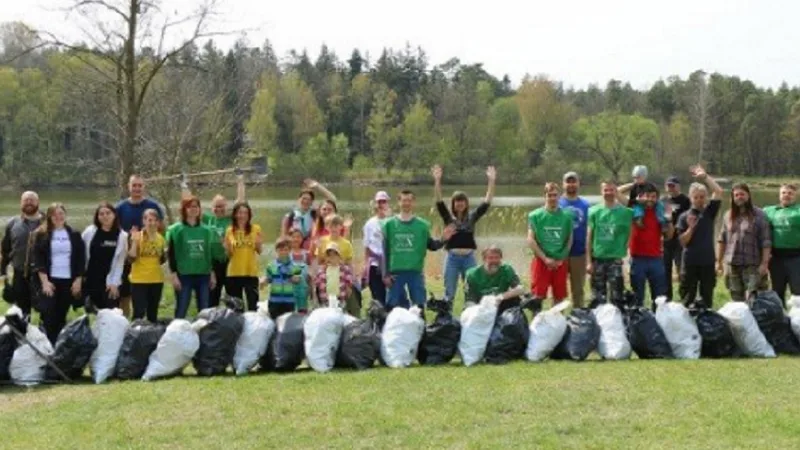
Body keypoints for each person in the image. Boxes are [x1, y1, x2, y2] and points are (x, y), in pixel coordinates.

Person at [181, 171, 246, 307]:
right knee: (212, 297)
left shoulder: (231, 219)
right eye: (216, 206)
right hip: (213, 264)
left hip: (229, 262)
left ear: (226, 206)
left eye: (221, 206)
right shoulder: (207, 219)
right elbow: (190, 204)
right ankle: (212, 322)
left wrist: (240, 179)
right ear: (212, 207)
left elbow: (240, 201)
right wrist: (184, 184)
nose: (219, 209)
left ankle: (234, 321)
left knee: (233, 296)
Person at [432, 164, 496, 304]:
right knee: (449, 292)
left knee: (472, 291)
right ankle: (447, 319)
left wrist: (491, 181)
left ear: (466, 203)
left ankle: (470, 318)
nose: (460, 204)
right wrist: (437, 180)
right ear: (453, 204)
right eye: (457, 202)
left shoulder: (472, 217)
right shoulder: (448, 218)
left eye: (462, 201)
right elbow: (439, 201)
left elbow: (487, 202)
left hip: (469, 259)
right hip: (452, 259)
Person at [381, 189, 454, 310]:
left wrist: (443, 239)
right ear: (399, 202)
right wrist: (385, 274)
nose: (406, 203)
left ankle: (420, 328)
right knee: (391, 307)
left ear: (413, 202)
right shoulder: (389, 224)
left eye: (409, 200)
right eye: (404, 200)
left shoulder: (422, 225)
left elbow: (432, 245)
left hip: (415, 272)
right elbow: (384, 251)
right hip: (395, 273)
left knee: (419, 307)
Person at [31, 203, 85, 344]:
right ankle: (46, 346)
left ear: (65, 215)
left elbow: (81, 259)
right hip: (50, 281)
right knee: (48, 314)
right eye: (54, 214)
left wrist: (78, 280)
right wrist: (45, 282)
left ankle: (58, 349)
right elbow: (38, 260)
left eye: (61, 213)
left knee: (61, 315)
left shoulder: (74, 234)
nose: (58, 217)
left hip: (68, 281)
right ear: (49, 217)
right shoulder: (42, 235)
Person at [115, 175, 165, 318]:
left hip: (148, 255)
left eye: (140, 185)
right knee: (125, 295)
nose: (137, 188)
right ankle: (125, 323)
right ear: (128, 187)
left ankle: (147, 328)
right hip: (126, 256)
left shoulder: (153, 206)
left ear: (144, 187)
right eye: (134, 185)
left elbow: (161, 228)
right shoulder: (120, 207)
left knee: (147, 300)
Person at [675, 166, 723, 308]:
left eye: (702, 197)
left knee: (707, 297)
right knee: (687, 297)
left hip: (707, 261)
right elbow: (683, 242)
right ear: (691, 198)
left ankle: (706, 322)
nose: (699, 200)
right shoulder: (684, 216)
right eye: (696, 197)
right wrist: (691, 228)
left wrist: (705, 176)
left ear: (706, 197)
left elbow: (718, 191)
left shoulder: (709, 212)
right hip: (690, 262)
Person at [717, 183, 771, 303]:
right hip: (732, 264)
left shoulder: (760, 214)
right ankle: (741, 320)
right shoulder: (728, 215)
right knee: (737, 299)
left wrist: (764, 264)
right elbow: (721, 239)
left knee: (755, 299)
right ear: (733, 197)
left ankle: (757, 320)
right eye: (736, 195)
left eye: (742, 194)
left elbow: (766, 242)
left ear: (748, 195)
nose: (739, 197)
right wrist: (719, 262)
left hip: (752, 265)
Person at [168, 196, 217, 318]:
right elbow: (171, 254)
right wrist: (173, 275)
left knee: (204, 311)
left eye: (196, 206)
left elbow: (209, 254)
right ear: (184, 209)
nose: (193, 209)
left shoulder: (206, 230)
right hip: (184, 275)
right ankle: (176, 334)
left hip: (203, 275)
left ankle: (203, 335)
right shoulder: (175, 230)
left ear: (200, 209)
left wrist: (212, 273)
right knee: (181, 308)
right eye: (189, 206)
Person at [586, 180, 633, 308]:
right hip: (598, 260)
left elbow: (630, 234)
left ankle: (618, 325)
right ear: (601, 192)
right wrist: (589, 262)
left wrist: (624, 252)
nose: (608, 193)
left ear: (616, 192)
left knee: (617, 298)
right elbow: (589, 238)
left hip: (615, 260)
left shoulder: (626, 212)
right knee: (597, 298)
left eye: (611, 190)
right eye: (605, 190)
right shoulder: (593, 211)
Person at [627, 183, 674, 309]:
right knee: (638, 297)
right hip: (637, 259)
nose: (650, 199)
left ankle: (657, 322)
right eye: (647, 196)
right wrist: (636, 183)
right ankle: (639, 322)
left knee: (659, 298)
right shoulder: (633, 210)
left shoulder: (660, 213)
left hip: (656, 259)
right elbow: (617, 192)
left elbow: (669, 236)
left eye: (653, 197)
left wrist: (669, 220)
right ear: (641, 196)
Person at [527, 183, 573, 310]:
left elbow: (569, 239)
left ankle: (557, 324)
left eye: (555, 195)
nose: (552, 198)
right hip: (541, 261)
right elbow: (530, 239)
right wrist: (545, 258)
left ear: (560, 196)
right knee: (537, 296)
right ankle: (536, 325)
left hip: (560, 262)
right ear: (545, 196)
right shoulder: (534, 215)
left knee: (559, 297)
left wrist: (562, 258)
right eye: (549, 195)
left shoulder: (567, 215)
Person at [1, 191, 44, 316]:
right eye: (26, 200)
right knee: (22, 312)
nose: (29, 202)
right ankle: (23, 334)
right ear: (21, 203)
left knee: (47, 311)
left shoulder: (48, 222)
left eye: (32, 200)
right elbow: (5, 251)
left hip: (43, 276)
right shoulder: (12, 223)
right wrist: (3, 274)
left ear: (38, 202)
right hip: (20, 275)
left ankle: (46, 333)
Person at [81, 203, 129, 311]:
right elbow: (80, 252)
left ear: (114, 215)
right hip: (90, 279)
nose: (105, 216)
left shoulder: (122, 236)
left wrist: (115, 283)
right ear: (97, 217)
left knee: (110, 312)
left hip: (109, 281)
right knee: (89, 311)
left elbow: (119, 262)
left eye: (108, 213)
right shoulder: (90, 231)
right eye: (101, 214)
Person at [764, 183, 800, 305]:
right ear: (779, 195)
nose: (786, 195)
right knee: (777, 292)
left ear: (796, 195)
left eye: (790, 193)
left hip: (796, 258)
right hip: (776, 259)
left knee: (798, 291)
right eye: (783, 193)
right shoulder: (768, 211)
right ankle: (780, 320)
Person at [558, 171, 591, 308]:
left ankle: (578, 317)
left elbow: (590, 230)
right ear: (563, 184)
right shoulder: (556, 203)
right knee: (559, 291)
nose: (571, 184)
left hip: (579, 253)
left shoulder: (586, 205)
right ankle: (557, 319)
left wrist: (590, 255)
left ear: (578, 184)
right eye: (568, 181)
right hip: (560, 253)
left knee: (578, 290)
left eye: (574, 181)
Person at [128, 209, 167, 322]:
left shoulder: (161, 239)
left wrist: (166, 254)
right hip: (139, 280)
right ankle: (134, 335)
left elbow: (161, 261)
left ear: (158, 222)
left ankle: (150, 336)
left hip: (156, 280)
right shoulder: (137, 236)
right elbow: (131, 258)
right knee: (139, 312)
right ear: (144, 221)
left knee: (153, 312)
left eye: (155, 220)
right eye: (149, 220)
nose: (152, 223)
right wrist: (134, 242)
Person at [224, 202, 263, 311]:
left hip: (250, 272)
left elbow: (259, 251)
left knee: (253, 306)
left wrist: (258, 243)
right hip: (234, 273)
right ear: (235, 214)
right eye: (240, 212)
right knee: (236, 308)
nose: (242, 215)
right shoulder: (230, 230)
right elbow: (229, 254)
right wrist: (227, 247)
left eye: (245, 213)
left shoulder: (256, 229)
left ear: (249, 215)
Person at [463, 246, 525, 314]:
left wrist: (500, 297)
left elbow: (520, 289)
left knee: (515, 300)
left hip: (499, 304)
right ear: (484, 259)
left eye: (497, 258)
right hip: (479, 306)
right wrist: (478, 312)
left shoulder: (507, 270)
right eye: (490, 258)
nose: (494, 261)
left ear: (501, 258)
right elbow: (469, 300)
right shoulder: (472, 274)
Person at [281, 179, 337, 249]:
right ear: (299, 199)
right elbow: (283, 237)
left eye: (309, 199)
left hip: (310, 247)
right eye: (304, 198)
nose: (306, 201)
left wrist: (317, 186)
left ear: (312, 202)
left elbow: (332, 199)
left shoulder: (314, 213)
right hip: (295, 248)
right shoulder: (289, 216)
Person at [261, 237, 306, 319]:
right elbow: (268, 278)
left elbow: (298, 280)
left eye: (286, 250)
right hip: (274, 300)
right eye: (280, 250)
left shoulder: (295, 266)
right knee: (274, 322)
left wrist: (294, 278)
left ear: (290, 250)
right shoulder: (271, 266)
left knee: (287, 323)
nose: (283, 252)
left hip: (289, 301)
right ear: (276, 250)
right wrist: (263, 281)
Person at [662, 176, 692, 299]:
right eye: (668, 186)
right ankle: (667, 299)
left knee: (682, 272)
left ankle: (685, 298)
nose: (671, 188)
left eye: (673, 185)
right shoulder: (662, 201)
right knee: (665, 272)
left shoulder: (686, 200)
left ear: (678, 186)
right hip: (665, 241)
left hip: (680, 241)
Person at [361, 191, 392, 305]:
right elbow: (366, 246)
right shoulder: (369, 224)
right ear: (375, 204)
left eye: (384, 202)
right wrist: (365, 266)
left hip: (390, 264)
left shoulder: (393, 222)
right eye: (379, 202)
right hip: (375, 264)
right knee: (378, 298)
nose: (381, 205)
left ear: (388, 204)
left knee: (392, 297)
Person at [313, 242, 357, 316]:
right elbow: (316, 285)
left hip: (340, 300)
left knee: (339, 318)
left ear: (339, 256)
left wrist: (348, 291)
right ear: (326, 257)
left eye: (335, 254)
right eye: (329, 255)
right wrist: (315, 297)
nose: (332, 257)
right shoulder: (322, 270)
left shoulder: (344, 269)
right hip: (326, 301)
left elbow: (349, 283)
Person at [619, 165, 667, 230]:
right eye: (634, 178)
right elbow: (631, 200)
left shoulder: (651, 185)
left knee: (660, 206)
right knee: (637, 207)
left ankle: (662, 222)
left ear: (644, 177)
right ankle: (639, 219)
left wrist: (650, 199)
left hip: (652, 202)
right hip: (639, 203)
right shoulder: (634, 187)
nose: (636, 180)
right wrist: (636, 200)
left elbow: (656, 195)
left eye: (638, 178)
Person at [289, 228, 312, 313]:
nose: (296, 239)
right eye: (293, 237)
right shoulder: (286, 253)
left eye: (298, 237)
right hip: (290, 287)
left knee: (303, 310)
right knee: (291, 310)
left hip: (303, 288)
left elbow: (310, 273)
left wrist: (310, 287)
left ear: (302, 239)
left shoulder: (307, 253)